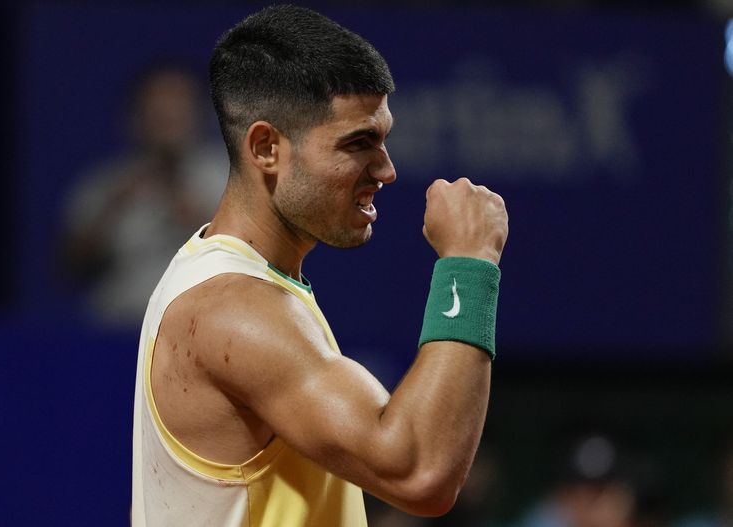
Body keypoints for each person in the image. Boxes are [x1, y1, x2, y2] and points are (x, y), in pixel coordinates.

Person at [131, 5, 508, 526]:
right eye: (359, 143)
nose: (386, 170)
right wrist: (470, 262)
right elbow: (420, 471)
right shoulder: (234, 310)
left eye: (384, 139)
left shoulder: (246, 282)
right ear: (266, 147)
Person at [61, 61, 228, 326]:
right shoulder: (107, 182)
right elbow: (70, 268)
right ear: (135, 116)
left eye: (176, 103)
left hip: (203, 328)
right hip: (119, 327)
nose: (165, 112)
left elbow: (257, 259)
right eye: (156, 106)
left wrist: (188, 209)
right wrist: (113, 208)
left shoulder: (229, 176)